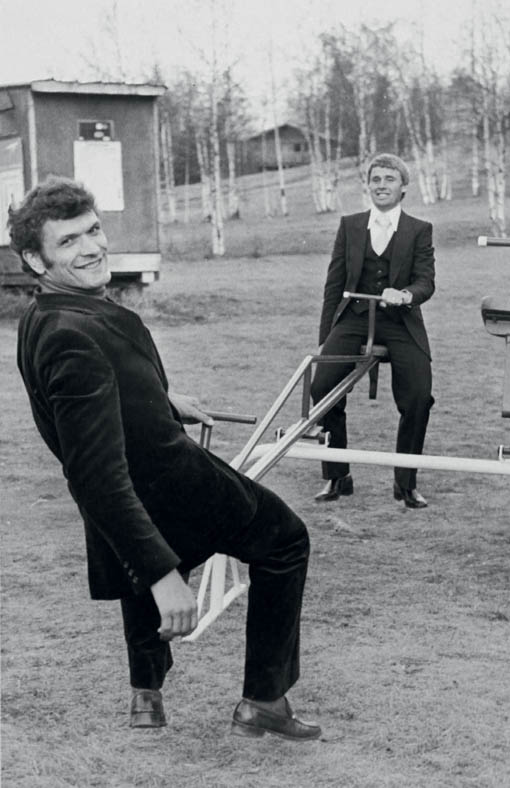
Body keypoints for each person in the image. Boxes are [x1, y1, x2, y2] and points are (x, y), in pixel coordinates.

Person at [10, 176, 321, 741]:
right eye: (69, 242)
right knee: (284, 540)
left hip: (140, 480)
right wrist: (161, 574)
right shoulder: (70, 336)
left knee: (136, 555)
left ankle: (145, 695)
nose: (92, 247)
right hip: (164, 479)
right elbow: (96, 475)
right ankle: (264, 701)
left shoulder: (48, 313)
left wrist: (163, 399)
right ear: (35, 258)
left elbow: (97, 394)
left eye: (94, 230)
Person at [311, 153, 435, 509]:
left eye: (389, 179)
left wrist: (406, 294)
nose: (382, 186)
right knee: (322, 387)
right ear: (369, 186)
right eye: (376, 179)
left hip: (399, 321)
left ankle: (406, 482)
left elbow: (426, 281)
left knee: (418, 397)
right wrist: (326, 338)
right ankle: (338, 476)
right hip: (353, 318)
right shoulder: (350, 225)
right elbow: (333, 285)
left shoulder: (419, 229)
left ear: (403, 187)